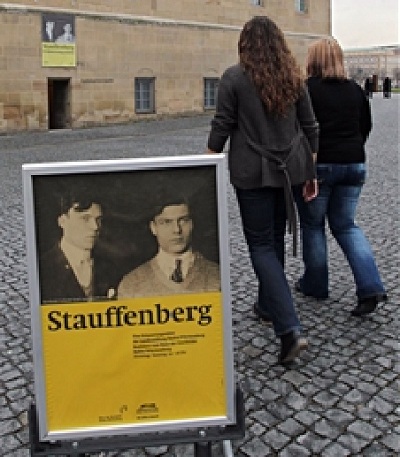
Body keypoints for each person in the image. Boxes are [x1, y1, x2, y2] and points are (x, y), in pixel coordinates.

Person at [206, 16, 319, 364]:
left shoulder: (234, 77)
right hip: (290, 171)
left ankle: (288, 330)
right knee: (273, 241)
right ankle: (268, 306)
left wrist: (204, 162)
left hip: (253, 173)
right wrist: (312, 171)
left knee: (261, 245)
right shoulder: (293, 76)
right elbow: (310, 127)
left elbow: (222, 125)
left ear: (245, 44)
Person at [295, 38, 387, 316]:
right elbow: (365, 126)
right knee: (346, 226)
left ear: (313, 60)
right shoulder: (355, 90)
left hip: (319, 166)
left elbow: (298, 130)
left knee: (313, 226)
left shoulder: (307, 90)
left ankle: (316, 283)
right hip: (354, 163)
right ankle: (370, 285)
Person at [118, 194, 220, 297]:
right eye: (166, 222)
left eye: (183, 220)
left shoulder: (219, 276)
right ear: (153, 227)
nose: (177, 230)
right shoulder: (131, 284)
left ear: (192, 224)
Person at [39, 188, 119, 303]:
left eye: (98, 219)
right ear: (62, 221)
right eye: (85, 218)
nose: (95, 226)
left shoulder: (110, 266)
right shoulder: (43, 269)